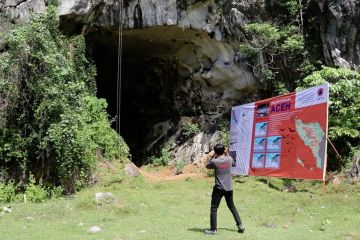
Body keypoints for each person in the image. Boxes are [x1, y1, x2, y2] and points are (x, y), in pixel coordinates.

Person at [204, 144, 245, 235]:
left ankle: (213, 229)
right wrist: (225, 153)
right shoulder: (229, 159)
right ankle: (240, 225)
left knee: (214, 208)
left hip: (218, 188)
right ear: (224, 150)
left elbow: (206, 165)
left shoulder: (214, 161)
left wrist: (210, 155)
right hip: (229, 188)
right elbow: (233, 162)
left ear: (215, 151)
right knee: (232, 207)